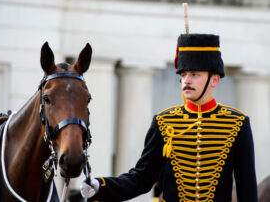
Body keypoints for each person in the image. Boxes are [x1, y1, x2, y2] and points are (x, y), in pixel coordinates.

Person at [80, 34, 258, 202]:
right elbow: (142, 178)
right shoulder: (163, 122)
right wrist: (100, 187)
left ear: (214, 80)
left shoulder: (237, 124)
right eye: (183, 75)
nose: (186, 80)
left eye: (194, 74)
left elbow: (247, 189)